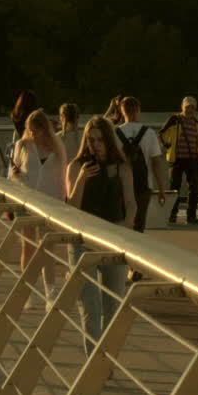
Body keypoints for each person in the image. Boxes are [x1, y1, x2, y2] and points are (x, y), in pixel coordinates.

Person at [66, 116, 136, 355]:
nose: (95, 145)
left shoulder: (122, 168)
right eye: (91, 140)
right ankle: (93, 360)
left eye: (100, 140)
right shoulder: (76, 167)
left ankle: (108, 357)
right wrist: (82, 179)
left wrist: (125, 231)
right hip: (82, 240)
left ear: (109, 141)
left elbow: (131, 205)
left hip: (113, 239)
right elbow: (70, 208)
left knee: (113, 304)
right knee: (90, 306)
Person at [10, 108, 67, 304]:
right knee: (29, 246)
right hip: (26, 200)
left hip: (49, 202)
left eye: (37, 130)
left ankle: (50, 291)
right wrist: (16, 177)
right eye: (30, 130)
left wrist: (62, 202)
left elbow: (61, 178)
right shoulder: (22, 145)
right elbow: (12, 174)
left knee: (47, 247)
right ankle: (28, 291)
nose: (33, 134)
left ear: (45, 129)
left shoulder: (56, 148)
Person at [116, 97, 167, 234]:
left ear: (122, 111)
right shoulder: (149, 133)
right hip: (144, 184)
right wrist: (161, 189)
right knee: (139, 223)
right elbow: (156, 163)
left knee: (122, 221)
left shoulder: (115, 133)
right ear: (138, 111)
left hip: (120, 183)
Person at [159, 96, 198, 225]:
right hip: (176, 159)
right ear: (182, 107)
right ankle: (172, 215)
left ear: (195, 108)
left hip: (193, 159)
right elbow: (161, 133)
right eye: (187, 107)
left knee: (193, 188)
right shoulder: (175, 119)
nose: (190, 109)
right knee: (174, 188)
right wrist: (168, 146)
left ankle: (191, 217)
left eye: (192, 107)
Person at [6, 90, 38, 175]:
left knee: (15, 173)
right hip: (28, 151)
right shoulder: (32, 118)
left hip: (17, 147)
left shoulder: (16, 117)